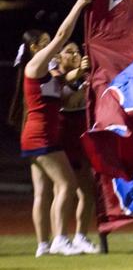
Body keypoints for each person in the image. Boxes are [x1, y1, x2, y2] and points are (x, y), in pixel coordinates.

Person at [8, 0, 92, 256]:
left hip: (39, 135)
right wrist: (78, 4)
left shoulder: (48, 74)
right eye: (44, 44)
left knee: (43, 193)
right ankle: (60, 240)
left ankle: (43, 245)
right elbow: (61, 37)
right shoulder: (36, 65)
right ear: (35, 48)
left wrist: (81, 77)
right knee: (66, 185)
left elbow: (67, 91)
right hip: (41, 136)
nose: (52, 49)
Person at [50, 42, 99, 254]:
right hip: (63, 135)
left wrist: (87, 75)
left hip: (80, 134)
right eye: (69, 52)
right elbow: (68, 99)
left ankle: (80, 236)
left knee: (87, 190)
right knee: (62, 189)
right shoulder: (55, 72)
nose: (75, 54)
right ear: (59, 56)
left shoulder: (81, 74)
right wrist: (83, 75)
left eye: (77, 51)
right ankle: (58, 238)